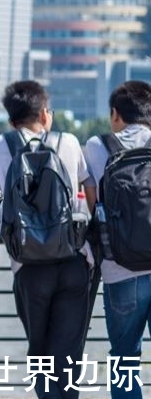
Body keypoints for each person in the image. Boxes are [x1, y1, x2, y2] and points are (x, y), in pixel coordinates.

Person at [0, 81, 90, 399]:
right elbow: (90, 195)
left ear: (11, 117)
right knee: (68, 357)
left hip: (26, 267)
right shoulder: (68, 142)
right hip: (72, 262)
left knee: (39, 354)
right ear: (44, 113)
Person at [85, 80, 151, 399]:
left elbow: (93, 205)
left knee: (124, 357)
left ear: (115, 114)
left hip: (120, 270)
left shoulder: (98, 147)